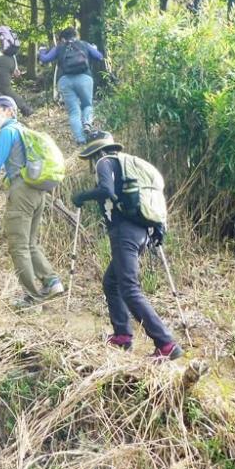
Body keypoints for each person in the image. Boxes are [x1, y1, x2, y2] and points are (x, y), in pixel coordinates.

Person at [71, 130, 183, 361]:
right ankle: (122, 335)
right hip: (142, 231)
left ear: (97, 151)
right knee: (111, 282)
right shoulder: (128, 165)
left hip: (124, 233)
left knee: (129, 288)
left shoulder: (105, 162)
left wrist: (82, 196)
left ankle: (166, 343)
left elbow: (106, 191)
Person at [0, 96, 62, 308]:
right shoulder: (23, 131)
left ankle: (32, 297)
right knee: (30, 243)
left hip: (21, 190)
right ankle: (52, 281)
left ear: (9, 111)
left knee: (18, 246)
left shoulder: (8, 131)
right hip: (37, 191)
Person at [38, 25, 103, 145]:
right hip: (85, 78)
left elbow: (45, 59)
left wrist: (41, 50)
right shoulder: (84, 44)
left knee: (74, 111)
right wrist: (94, 48)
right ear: (76, 36)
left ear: (62, 39)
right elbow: (99, 56)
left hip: (65, 80)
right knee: (87, 105)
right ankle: (87, 123)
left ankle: (81, 140)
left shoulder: (59, 47)